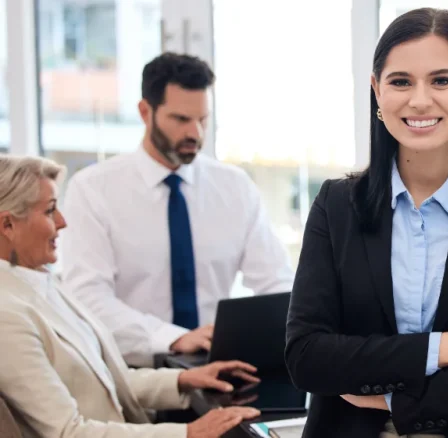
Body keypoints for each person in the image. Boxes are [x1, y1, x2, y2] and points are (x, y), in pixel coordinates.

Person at [285, 8, 448, 438]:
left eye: (441, 80)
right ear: (376, 90)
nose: (420, 100)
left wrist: (396, 400)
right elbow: (306, 356)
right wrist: (445, 348)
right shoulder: (337, 206)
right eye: (400, 81)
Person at [0, 155, 261, 437]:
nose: (62, 222)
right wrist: (189, 433)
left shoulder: (43, 283)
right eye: (50, 211)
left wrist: (185, 379)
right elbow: (68, 432)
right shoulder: (7, 315)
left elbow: (101, 382)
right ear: (8, 225)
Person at [61, 53, 295, 366]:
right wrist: (171, 337)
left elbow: (277, 284)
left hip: (218, 368)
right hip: (131, 374)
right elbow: (86, 298)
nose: (195, 134)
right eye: (181, 120)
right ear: (146, 112)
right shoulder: (92, 189)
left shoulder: (235, 188)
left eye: (202, 120)